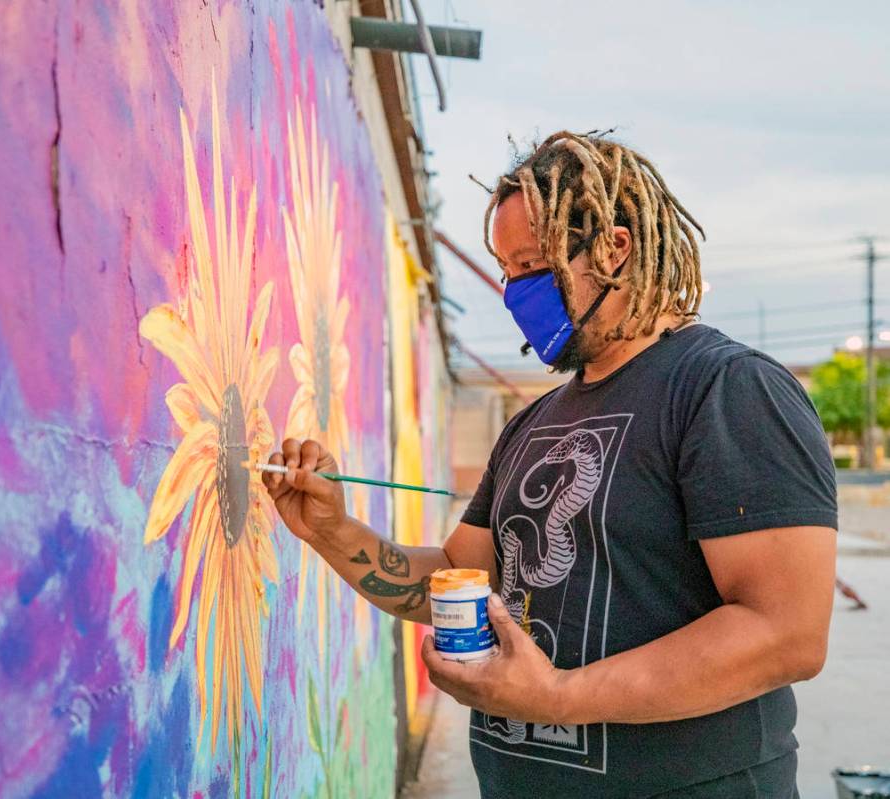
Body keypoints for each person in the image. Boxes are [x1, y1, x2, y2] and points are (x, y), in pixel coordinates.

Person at [262, 131, 837, 798]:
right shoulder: (532, 423)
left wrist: (559, 696)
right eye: (506, 270)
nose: (513, 291)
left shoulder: (724, 388)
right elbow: (456, 584)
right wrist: (332, 530)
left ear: (614, 249)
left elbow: (784, 633)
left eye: (532, 266)